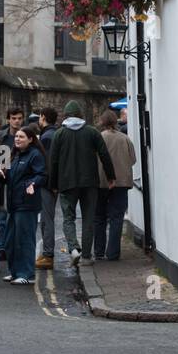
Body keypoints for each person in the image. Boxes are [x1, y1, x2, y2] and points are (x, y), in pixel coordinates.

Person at [49, 100, 116, 265]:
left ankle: (73, 249)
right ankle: (86, 256)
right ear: (80, 114)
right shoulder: (92, 132)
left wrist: (53, 184)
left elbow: (53, 161)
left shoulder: (59, 134)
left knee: (68, 218)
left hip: (67, 183)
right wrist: (110, 176)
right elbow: (104, 155)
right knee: (88, 219)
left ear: (65, 115)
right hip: (90, 183)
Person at [3, 124, 47, 285]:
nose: (17, 139)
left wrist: (32, 183)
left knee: (24, 239)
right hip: (13, 204)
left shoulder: (35, 155)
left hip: (27, 204)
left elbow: (41, 175)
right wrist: (2, 174)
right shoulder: (14, 155)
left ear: (30, 139)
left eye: (21, 137)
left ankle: (27, 274)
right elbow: (11, 178)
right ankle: (14, 272)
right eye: (16, 136)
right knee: (10, 240)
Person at [94, 110, 136, 261]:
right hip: (121, 182)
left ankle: (99, 252)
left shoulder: (98, 138)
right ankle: (112, 254)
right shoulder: (125, 138)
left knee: (99, 217)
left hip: (100, 182)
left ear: (102, 122)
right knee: (116, 218)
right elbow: (133, 160)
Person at [0, 106, 25, 263]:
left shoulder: (26, 137)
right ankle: (2, 247)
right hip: (4, 182)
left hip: (20, 182)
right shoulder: (2, 137)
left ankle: (12, 246)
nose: (16, 121)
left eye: (19, 118)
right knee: (1, 217)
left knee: (16, 218)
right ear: (8, 119)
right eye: (13, 118)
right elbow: (1, 162)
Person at [36, 107, 60, 270]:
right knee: (46, 219)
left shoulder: (47, 137)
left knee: (46, 220)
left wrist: (52, 185)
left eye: (40, 117)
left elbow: (49, 164)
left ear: (43, 117)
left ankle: (48, 255)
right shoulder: (53, 133)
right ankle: (47, 253)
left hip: (48, 185)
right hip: (50, 184)